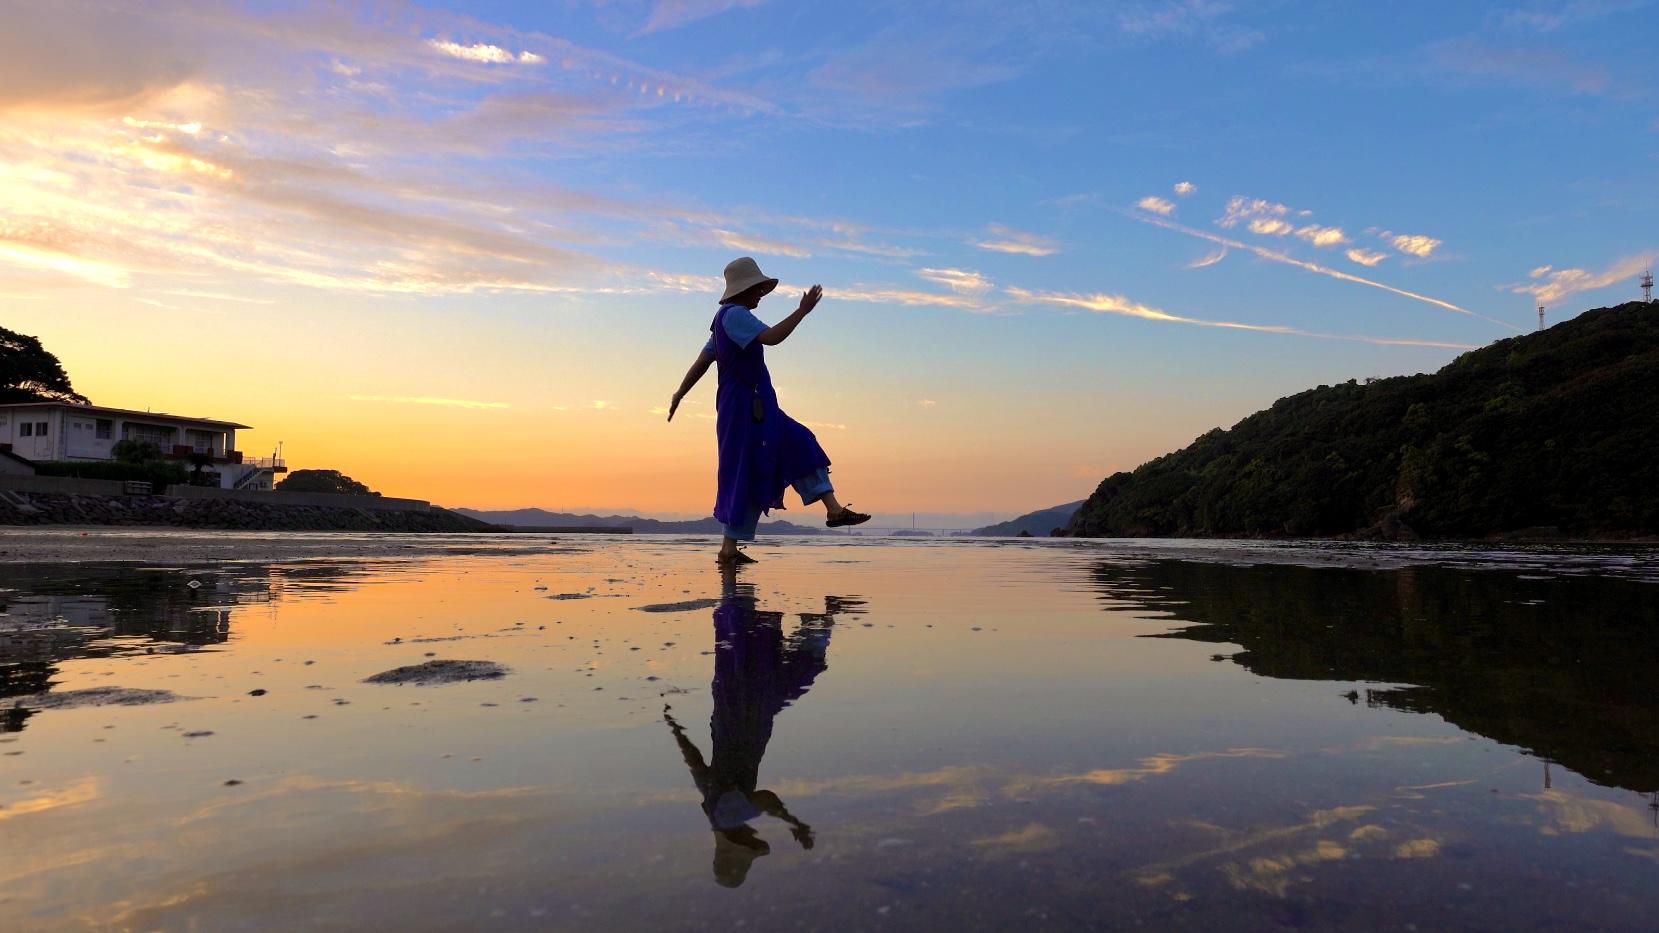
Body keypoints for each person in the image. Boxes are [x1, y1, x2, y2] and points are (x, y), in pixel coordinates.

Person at [663, 566, 864, 887]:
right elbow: (696, 764)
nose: (754, 836)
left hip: (748, 719)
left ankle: (790, 615)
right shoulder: (712, 811)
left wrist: (791, 821)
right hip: (730, 714)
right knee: (763, 665)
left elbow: (766, 798)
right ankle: (751, 604)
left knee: (778, 667)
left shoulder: (728, 817)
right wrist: (675, 729)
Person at [668, 256, 870, 564]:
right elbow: (772, 338)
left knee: (792, 445)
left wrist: (680, 393)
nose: (761, 294)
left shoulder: (723, 319)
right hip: (746, 409)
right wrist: (802, 312)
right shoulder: (735, 314)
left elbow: (703, 360)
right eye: (758, 289)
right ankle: (729, 548)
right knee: (747, 467)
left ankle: (832, 510)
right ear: (746, 289)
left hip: (752, 406)